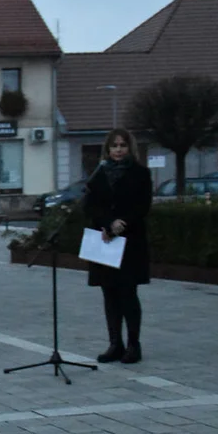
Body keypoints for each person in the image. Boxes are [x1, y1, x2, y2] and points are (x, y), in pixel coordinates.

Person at [82, 128, 153, 363]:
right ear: (108, 149)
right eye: (114, 146)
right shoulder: (99, 173)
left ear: (129, 148)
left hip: (129, 240)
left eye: (122, 145)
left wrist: (123, 222)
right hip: (104, 238)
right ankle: (115, 344)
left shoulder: (140, 173)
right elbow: (91, 205)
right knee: (109, 293)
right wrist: (106, 223)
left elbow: (143, 205)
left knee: (128, 294)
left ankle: (134, 345)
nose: (119, 150)